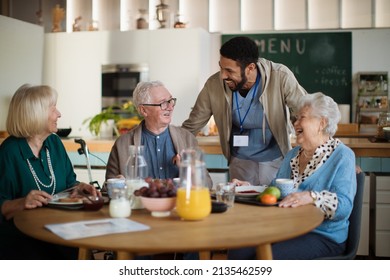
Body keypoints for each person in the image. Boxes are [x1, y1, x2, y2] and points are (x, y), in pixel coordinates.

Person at [228, 92, 357, 260]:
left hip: (322, 235)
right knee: (239, 248)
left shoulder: (343, 156)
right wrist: (250, 188)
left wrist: (311, 197)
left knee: (271, 258)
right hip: (286, 227)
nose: (295, 123)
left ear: (321, 123)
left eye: (301, 117)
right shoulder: (293, 155)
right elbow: (276, 191)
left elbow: (344, 206)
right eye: (295, 118)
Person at [182, 36, 308, 186]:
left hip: (275, 160)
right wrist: (175, 148)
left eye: (229, 70)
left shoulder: (280, 76)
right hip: (240, 162)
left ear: (250, 68)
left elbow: (306, 111)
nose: (223, 75)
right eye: (221, 68)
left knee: (273, 202)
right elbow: (192, 125)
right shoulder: (214, 85)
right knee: (243, 206)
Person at [0, 84, 99, 260]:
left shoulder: (54, 143)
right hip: (24, 241)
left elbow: (69, 183)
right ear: (35, 114)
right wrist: (23, 202)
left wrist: (77, 189)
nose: (59, 114)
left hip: (60, 231)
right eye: (53, 108)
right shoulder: (9, 152)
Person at [106, 80, 212, 188]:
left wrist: (189, 170)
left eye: (170, 101)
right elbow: (107, 188)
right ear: (144, 110)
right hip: (140, 204)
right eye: (163, 103)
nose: (170, 107)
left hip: (179, 204)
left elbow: (207, 185)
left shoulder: (187, 138)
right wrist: (118, 184)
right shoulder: (122, 144)